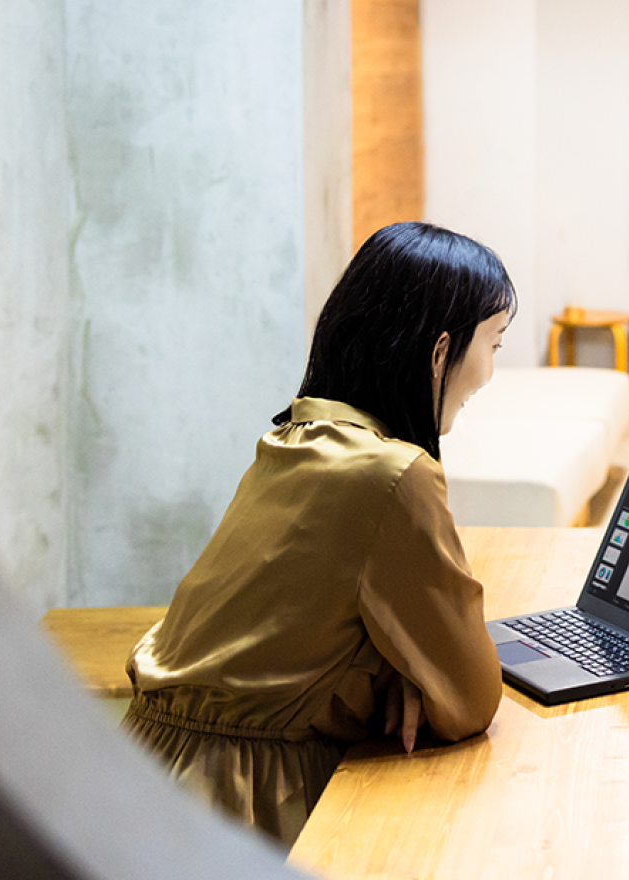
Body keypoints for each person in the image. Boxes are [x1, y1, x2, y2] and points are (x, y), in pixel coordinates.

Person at [121, 222, 514, 847]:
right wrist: (413, 678)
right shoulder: (392, 475)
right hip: (241, 802)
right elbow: (470, 697)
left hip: (146, 773)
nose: (491, 373)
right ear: (440, 353)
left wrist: (398, 675)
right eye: (494, 343)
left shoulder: (297, 438)